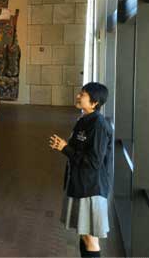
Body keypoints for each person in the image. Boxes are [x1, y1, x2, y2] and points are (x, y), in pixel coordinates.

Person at [49, 83, 113, 258]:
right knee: (84, 237)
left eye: (82, 94)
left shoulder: (98, 125)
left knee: (90, 240)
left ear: (94, 103)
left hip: (91, 189)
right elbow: (78, 151)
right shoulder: (83, 120)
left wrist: (66, 148)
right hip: (80, 185)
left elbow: (94, 162)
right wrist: (64, 147)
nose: (78, 96)